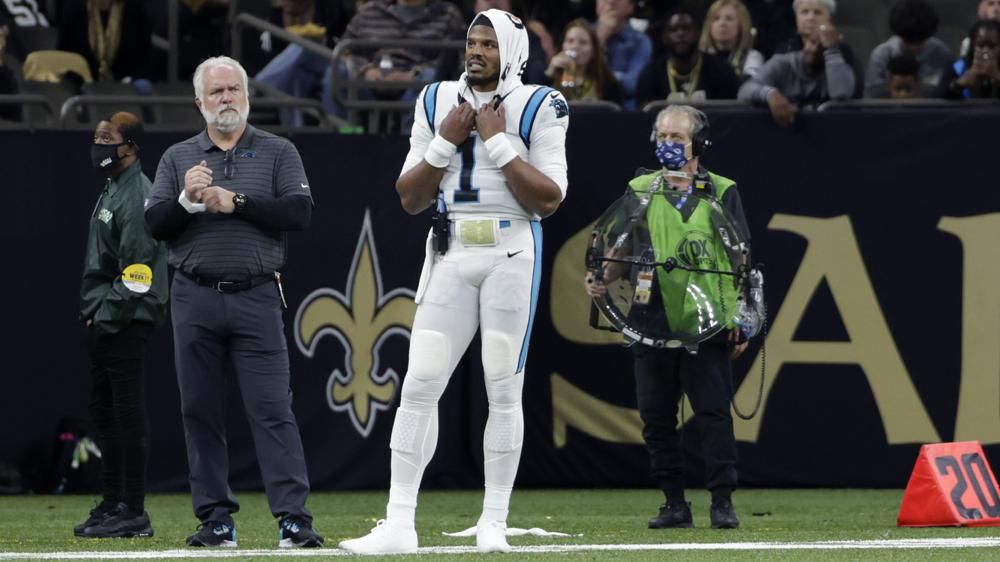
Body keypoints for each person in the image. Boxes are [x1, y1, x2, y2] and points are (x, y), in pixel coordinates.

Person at [338, 8, 569, 555]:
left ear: (510, 51)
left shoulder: (541, 103)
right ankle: (399, 523)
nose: (476, 51)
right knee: (420, 382)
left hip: (513, 249)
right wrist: (445, 143)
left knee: (502, 385)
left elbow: (549, 198)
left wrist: (497, 143)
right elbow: (411, 197)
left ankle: (493, 521)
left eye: (488, 43)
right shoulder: (435, 99)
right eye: (472, 41)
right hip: (451, 248)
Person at [144, 56, 323, 549]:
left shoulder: (278, 150)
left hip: (257, 294)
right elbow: (156, 225)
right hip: (193, 295)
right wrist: (187, 200)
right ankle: (215, 520)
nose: (227, 98)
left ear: (247, 95)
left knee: (272, 410)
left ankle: (293, 518)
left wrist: (234, 202)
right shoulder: (178, 157)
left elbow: (299, 212)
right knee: (200, 409)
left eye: (235, 89)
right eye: (217, 91)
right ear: (199, 102)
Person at [585, 105, 749, 531]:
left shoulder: (723, 190)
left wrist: (739, 318)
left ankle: (722, 502)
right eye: (662, 136)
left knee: (713, 414)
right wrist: (603, 279)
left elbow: (739, 259)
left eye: (677, 138)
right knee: (656, 418)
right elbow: (618, 247)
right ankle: (674, 503)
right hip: (648, 317)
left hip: (705, 316)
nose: (667, 145)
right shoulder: (639, 188)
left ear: (700, 144)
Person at [75, 111, 168, 539]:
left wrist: (104, 313)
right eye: (96, 137)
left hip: (125, 318)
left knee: (127, 412)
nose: (99, 145)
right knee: (106, 413)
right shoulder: (112, 187)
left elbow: (140, 274)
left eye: (107, 138)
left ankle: (134, 509)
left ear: (130, 146)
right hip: (106, 314)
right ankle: (113, 502)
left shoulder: (136, 196)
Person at [738, 20, 855, 126]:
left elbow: (841, 93)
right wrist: (770, 94)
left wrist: (831, 50)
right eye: (811, 42)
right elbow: (745, 90)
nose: (813, 49)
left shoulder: (837, 64)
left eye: (821, 46)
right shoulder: (782, 63)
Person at [635, 9, 741, 108]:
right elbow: (644, 116)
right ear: (665, 36)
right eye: (674, 29)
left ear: (698, 33)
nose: (680, 34)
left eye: (686, 29)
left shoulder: (721, 70)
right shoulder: (651, 73)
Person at [864, 0, 953, 98]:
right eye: (908, 41)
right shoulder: (881, 56)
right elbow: (871, 98)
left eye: (919, 41)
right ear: (899, 34)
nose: (913, 47)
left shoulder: (943, 55)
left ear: (928, 35)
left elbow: (948, 95)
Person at [56, 0, 152, 83]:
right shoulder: (75, 7)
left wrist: (130, 80)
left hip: (125, 89)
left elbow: (144, 58)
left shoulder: (133, 8)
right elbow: (64, 57)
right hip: (81, 89)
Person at [545, 18, 625, 104]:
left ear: (593, 51)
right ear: (562, 46)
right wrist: (549, 73)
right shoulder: (549, 78)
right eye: (570, 41)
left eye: (583, 42)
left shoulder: (607, 83)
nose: (575, 46)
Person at [594, 0, 652, 109]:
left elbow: (632, 84)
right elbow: (578, 77)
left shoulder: (640, 41)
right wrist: (600, 38)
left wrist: (601, 77)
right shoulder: (579, 35)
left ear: (631, 7)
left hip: (624, 113)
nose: (610, 2)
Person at [699, 0, 765, 79]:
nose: (722, 23)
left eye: (729, 19)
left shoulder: (752, 57)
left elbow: (750, 85)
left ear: (741, 25)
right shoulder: (698, 57)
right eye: (716, 19)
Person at [940, 19, 1000, 99]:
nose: (986, 51)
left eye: (992, 46)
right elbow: (937, 103)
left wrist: (996, 75)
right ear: (972, 46)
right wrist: (959, 84)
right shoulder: (957, 68)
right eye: (980, 46)